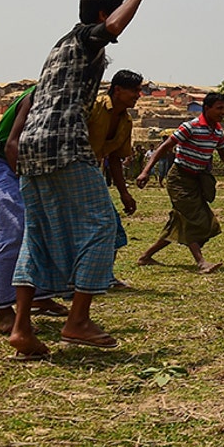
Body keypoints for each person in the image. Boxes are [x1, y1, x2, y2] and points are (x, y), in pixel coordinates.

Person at [8, 0, 152, 360]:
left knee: (35, 234)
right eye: (115, 9)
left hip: (32, 147)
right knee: (102, 225)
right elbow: (111, 29)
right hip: (65, 145)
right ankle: (78, 321)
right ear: (104, 14)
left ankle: (22, 329)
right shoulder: (85, 37)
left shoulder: (58, 46)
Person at [0, 86, 69, 335]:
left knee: (42, 227)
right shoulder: (38, 94)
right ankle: (3, 311)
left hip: (28, 166)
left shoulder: (72, 98)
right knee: (15, 231)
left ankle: (39, 295)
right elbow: (11, 146)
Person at [135, 93, 224, 274]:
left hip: (197, 180)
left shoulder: (218, 132)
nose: (223, 112)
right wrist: (145, 171)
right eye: (219, 108)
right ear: (207, 108)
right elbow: (164, 148)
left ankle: (145, 256)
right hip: (179, 179)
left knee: (195, 222)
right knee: (192, 218)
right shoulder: (190, 127)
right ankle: (201, 262)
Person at [86, 69, 145, 290]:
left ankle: (104, 277)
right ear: (118, 90)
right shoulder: (94, 107)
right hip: (71, 173)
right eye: (135, 91)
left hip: (93, 175)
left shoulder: (125, 122)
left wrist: (124, 193)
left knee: (111, 226)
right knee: (98, 225)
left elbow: (115, 158)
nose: (138, 95)